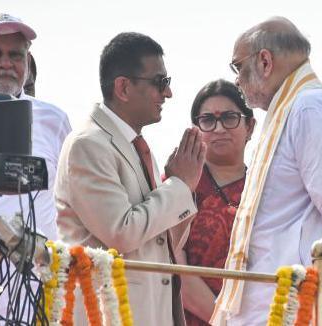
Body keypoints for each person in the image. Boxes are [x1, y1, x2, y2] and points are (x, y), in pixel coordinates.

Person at [211, 17, 322, 325]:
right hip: (266, 303)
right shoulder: (287, 112)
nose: (236, 81)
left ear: (265, 62)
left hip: (296, 305)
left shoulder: (312, 108)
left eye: (238, 67)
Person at [55, 32, 205, 325]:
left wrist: (183, 189)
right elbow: (121, 233)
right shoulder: (88, 145)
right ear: (123, 87)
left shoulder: (134, 145)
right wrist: (178, 186)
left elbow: (159, 242)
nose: (168, 94)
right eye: (160, 83)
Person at [0, 13, 71, 322]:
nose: (5, 63)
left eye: (16, 54)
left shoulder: (53, 120)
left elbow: (69, 203)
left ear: (28, 63)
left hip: (36, 294)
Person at [173, 79, 255, 326]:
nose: (219, 128)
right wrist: (224, 322)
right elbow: (175, 265)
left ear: (250, 126)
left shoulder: (266, 189)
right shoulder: (180, 185)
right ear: (195, 129)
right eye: (208, 120)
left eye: (229, 117)